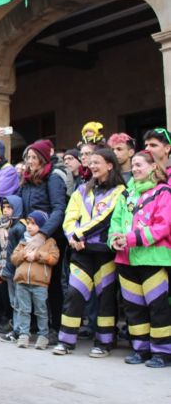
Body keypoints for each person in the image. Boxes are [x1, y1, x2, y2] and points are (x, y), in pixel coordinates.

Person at [54, 148, 125, 357]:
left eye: (97, 162)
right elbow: (69, 217)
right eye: (90, 162)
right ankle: (66, 341)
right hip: (81, 253)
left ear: (110, 165)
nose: (92, 166)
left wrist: (78, 235)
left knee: (105, 298)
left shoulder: (120, 190)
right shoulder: (82, 190)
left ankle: (104, 343)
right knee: (74, 294)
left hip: (105, 253)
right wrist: (71, 237)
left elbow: (105, 219)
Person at [108, 151, 171, 368]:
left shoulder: (163, 192)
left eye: (139, 165)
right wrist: (114, 239)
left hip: (152, 260)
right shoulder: (127, 194)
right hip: (125, 260)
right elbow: (115, 221)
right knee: (134, 308)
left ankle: (163, 352)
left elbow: (163, 226)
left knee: (158, 307)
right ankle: (141, 349)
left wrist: (132, 239)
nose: (134, 169)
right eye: (133, 165)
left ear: (153, 167)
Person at [12, 139, 67, 339]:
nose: (30, 161)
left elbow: (59, 209)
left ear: (44, 159)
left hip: (50, 238)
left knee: (50, 286)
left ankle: (55, 328)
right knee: (28, 282)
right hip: (29, 236)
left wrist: (43, 234)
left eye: (35, 157)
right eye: (28, 157)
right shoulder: (26, 179)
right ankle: (31, 328)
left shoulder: (53, 178)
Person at [10, 210, 60, 350]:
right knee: (23, 310)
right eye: (28, 223)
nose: (29, 226)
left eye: (34, 224)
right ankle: (23, 334)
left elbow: (54, 258)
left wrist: (37, 255)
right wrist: (24, 254)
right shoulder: (23, 241)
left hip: (40, 283)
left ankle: (43, 335)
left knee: (41, 310)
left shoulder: (50, 242)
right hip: (22, 282)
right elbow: (13, 258)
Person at [0, 195, 25, 343]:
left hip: (16, 270)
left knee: (19, 302)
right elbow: (1, 250)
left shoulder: (19, 227)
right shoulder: (2, 226)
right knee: (14, 302)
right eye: (3, 208)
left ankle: (19, 331)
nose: (5, 210)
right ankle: (17, 329)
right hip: (7, 269)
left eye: (9, 207)